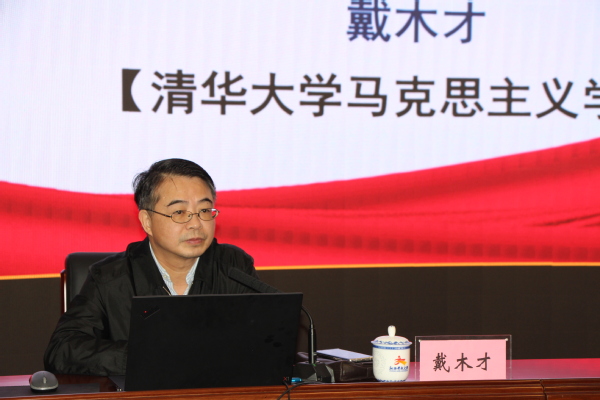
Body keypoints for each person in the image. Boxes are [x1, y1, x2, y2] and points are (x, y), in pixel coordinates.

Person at [44, 159, 260, 376]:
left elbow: (263, 340)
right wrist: (146, 355)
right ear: (147, 221)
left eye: (204, 210)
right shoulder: (110, 278)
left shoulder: (234, 266)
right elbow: (62, 349)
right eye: (179, 212)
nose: (196, 224)